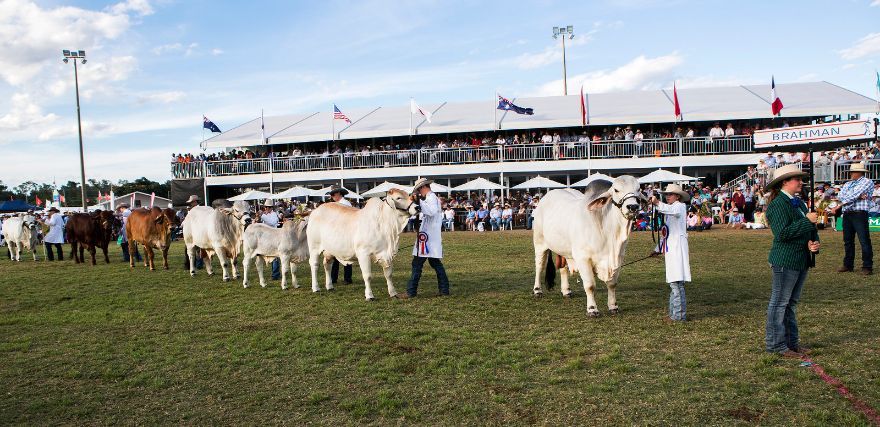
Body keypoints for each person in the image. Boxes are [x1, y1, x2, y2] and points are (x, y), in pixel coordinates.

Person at [764, 164, 820, 358]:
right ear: (785, 182)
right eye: (797, 179)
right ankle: (776, 345)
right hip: (785, 260)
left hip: (799, 259)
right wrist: (807, 221)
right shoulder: (778, 205)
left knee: (789, 303)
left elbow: (810, 230)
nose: (801, 182)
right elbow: (782, 234)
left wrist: (813, 243)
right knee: (780, 303)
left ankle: (791, 343)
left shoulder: (799, 203)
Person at [650, 184, 691, 322]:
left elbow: (669, 209)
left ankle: (678, 315)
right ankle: (675, 313)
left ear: (678, 196)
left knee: (676, 283)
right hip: (671, 249)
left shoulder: (679, 206)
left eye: (670, 194)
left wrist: (656, 203)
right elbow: (666, 234)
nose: (668, 196)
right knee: (674, 283)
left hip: (677, 249)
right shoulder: (670, 212)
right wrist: (657, 249)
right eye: (666, 194)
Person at [406, 178, 450, 298]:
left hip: (428, 238)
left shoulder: (431, 197)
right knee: (435, 264)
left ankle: (411, 292)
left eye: (419, 190)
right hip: (429, 237)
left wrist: (419, 202)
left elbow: (431, 211)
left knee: (417, 265)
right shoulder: (432, 198)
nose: (419, 193)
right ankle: (444, 290)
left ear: (422, 187)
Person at [828, 162, 874, 275]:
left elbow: (850, 196)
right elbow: (842, 196)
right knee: (848, 241)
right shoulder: (848, 184)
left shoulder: (867, 182)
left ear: (859, 172)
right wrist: (857, 197)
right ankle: (848, 264)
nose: (851, 174)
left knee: (864, 240)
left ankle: (867, 266)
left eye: (852, 172)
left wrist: (851, 198)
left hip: (859, 213)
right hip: (848, 213)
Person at [328, 186, 354, 285]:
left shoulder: (345, 203)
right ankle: (333, 278)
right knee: (334, 256)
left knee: (346, 256)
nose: (332, 196)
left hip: (345, 233)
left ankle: (347, 278)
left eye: (333, 194)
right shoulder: (335, 204)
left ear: (339, 193)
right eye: (331, 194)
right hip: (336, 233)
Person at [259, 199, 282, 281]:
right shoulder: (267, 214)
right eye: (265, 207)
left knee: (275, 256)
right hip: (267, 237)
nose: (266, 209)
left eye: (268, 207)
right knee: (271, 255)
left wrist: (262, 216)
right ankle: (275, 273)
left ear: (271, 208)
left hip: (274, 237)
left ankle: (276, 274)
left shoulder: (274, 214)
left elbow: (272, 223)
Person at [182, 195, 204, 269]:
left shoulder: (199, 210)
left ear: (194, 202)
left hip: (198, 231)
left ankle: (198, 264)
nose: (190, 204)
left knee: (199, 249)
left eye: (191, 202)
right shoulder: (193, 210)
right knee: (191, 248)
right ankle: (193, 264)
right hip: (192, 231)